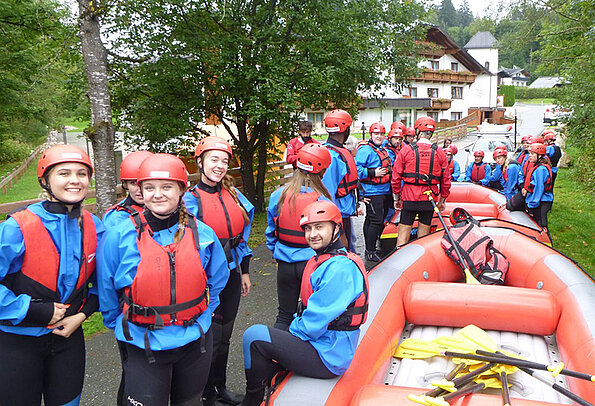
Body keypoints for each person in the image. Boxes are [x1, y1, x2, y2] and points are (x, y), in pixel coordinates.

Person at [98, 153, 229, 406]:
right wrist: (124, 323)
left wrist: (202, 314)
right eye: (149, 188)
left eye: (166, 187)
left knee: (189, 402)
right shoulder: (119, 235)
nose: (157, 194)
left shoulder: (202, 233)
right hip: (142, 340)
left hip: (194, 339)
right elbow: (107, 288)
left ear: (182, 189)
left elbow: (217, 279)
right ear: (140, 190)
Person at [0, 144, 106, 406]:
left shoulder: (94, 226)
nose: (75, 180)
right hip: (17, 342)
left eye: (82, 174)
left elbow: (105, 283)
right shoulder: (17, 227)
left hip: (67, 338)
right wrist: (35, 311)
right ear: (45, 180)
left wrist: (81, 316)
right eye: (64, 173)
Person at [241, 200, 368, 406]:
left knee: (254, 336)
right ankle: (271, 389)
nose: (312, 234)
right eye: (308, 229)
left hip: (329, 355)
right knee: (271, 342)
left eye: (319, 227)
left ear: (336, 228)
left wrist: (287, 337)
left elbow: (312, 324)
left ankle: (252, 400)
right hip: (324, 344)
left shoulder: (340, 269)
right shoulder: (325, 259)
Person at [183, 136, 254, 406]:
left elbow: (242, 237)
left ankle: (219, 388)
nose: (220, 166)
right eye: (214, 159)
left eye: (224, 161)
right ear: (200, 161)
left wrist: (244, 271)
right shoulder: (190, 200)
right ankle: (203, 394)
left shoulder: (233, 194)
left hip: (232, 275)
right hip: (206, 282)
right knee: (207, 339)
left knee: (225, 337)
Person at [266, 143, 332, 330]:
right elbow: (330, 239)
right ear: (321, 171)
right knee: (311, 314)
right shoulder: (322, 201)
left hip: (285, 265)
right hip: (312, 265)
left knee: (284, 315)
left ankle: (277, 354)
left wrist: (278, 252)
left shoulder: (278, 195)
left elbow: (271, 232)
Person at [392, 116, 451, 248]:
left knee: (402, 239)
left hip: (409, 198)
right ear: (431, 134)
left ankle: (400, 261)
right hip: (428, 199)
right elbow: (446, 180)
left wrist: (397, 197)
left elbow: (396, 177)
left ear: (418, 131)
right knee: (423, 239)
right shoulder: (440, 153)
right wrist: (442, 200)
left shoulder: (406, 150)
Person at [321, 109, 359, 251]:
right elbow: (327, 195)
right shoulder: (333, 156)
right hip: (337, 217)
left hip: (342, 215)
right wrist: (339, 230)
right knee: (343, 251)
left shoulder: (334, 151)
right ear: (345, 129)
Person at [355, 122, 393, 262]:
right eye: (376, 134)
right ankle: (370, 251)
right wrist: (372, 172)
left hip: (384, 190)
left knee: (372, 219)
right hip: (372, 191)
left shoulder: (383, 149)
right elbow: (356, 170)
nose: (379, 136)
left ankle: (370, 248)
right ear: (371, 135)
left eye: (382, 134)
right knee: (375, 220)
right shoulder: (365, 150)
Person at [103, 150, 153, 228]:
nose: (140, 190)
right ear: (125, 184)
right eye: (133, 183)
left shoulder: (164, 210)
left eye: (147, 184)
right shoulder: (117, 218)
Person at [522, 143, 554, 233]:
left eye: (532, 154)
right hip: (539, 200)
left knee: (541, 226)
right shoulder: (537, 167)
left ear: (539, 155)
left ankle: (546, 244)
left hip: (541, 201)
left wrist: (532, 204)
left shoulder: (541, 169)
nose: (530, 156)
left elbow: (539, 188)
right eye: (529, 153)